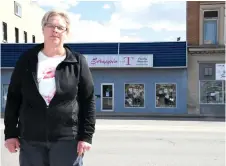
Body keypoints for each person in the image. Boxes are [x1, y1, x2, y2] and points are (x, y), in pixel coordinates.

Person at [4, 10, 96, 166]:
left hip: (67, 140)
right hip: (31, 140)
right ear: (43, 29)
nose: (55, 30)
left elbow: (88, 100)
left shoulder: (77, 62)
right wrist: (10, 134)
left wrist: (86, 137)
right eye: (50, 25)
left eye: (60, 27)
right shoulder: (27, 60)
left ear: (66, 33)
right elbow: (14, 98)